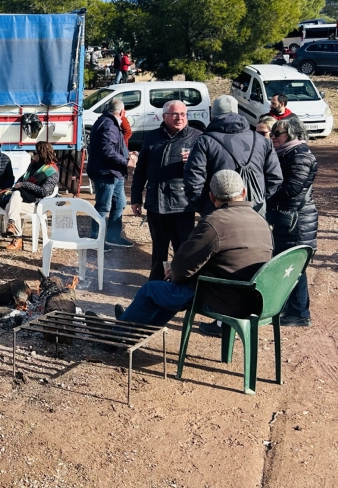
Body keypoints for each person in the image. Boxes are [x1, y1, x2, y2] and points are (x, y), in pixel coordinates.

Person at [116, 170, 273, 327]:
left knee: (151, 289)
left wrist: (175, 272)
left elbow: (182, 268)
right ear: (244, 192)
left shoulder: (214, 222)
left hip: (224, 300)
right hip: (256, 299)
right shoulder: (260, 220)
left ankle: (120, 332)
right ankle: (135, 326)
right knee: (172, 291)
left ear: (211, 197)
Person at [130, 101, 202, 280]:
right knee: (159, 249)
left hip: (182, 205)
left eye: (183, 114)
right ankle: (155, 285)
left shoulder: (197, 137)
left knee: (182, 249)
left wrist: (192, 163)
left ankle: (181, 285)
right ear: (164, 117)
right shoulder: (152, 136)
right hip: (156, 203)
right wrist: (136, 198)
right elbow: (141, 170)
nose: (179, 118)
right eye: (175, 114)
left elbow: (205, 171)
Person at [184, 95, 282, 217]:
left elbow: (193, 179)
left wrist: (203, 207)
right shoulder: (262, 140)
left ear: (213, 114)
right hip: (254, 209)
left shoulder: (205, 141)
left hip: (217, 211)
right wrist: (260, 199)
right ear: (237, 112)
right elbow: (275, 177)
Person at [267, 117, 318, 327]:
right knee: (289, 264)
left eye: (277, 133)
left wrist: (266, 192)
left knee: (293, 266)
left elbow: (291, 189)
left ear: (292, 133)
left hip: (297, 221)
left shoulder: (300, 156)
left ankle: (299, 314)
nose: (273, 137)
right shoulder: (288, 153)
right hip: (291, 218)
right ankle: (293, 309)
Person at [87, 99, 137, 249]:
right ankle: (96, 240)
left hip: (114, 172)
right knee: (103, 206)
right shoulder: (109, 124)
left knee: (120, 203)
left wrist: (127, 155)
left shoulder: (109, 122)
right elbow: (107, 150)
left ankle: (113, 236)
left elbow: (114, 146)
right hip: (106, 172)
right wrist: (126, 162)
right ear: (122, 112)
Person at [0, 141, 59, 251]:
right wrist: (19, 183)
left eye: (35, 152)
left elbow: (44, 191)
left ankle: (16, 234)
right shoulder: (33, 165)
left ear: (42, 153)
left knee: (10, 205)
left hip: (37, 202)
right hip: (24, 198)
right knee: (14, 198)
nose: (33, 155)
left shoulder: (52, 171)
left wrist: (25, 184)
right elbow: (23, 178)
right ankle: (15, 233)